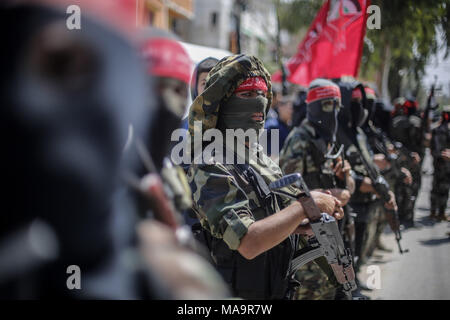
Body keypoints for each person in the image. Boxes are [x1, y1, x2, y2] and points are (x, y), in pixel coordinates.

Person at [186, 54, 344, 299]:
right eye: (247, 94)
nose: (258, 102)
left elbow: (274, 217)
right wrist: (304, 206)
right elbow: (248, 242)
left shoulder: (259, 158)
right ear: (224, 101)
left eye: (261, 94)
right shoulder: (209, 163)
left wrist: (306, 221)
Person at [279, 79, 356, 300]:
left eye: (336, 106)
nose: (332, 113)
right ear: (313, 107)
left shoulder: (330, 142)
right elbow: (285, 192)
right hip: (309, 247)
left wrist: (346, 176)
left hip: (335, 240)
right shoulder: (299, 139)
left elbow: (349, 189)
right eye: (326, 105)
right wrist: (328, 194)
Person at [335, 78, 397, 291]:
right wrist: (365, 183)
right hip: (348, 203)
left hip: (366, 201)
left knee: (359, 246)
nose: (360, 107)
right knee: (346, 250)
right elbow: (340, 172)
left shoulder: (358, 132)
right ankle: (349, 287)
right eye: (354, 101)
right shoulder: (335, 132)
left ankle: (355, 282)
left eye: (361, 101)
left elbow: (365, 160)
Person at [390, 97, 423, 226]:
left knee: (399, 187)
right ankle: (407, 217)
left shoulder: (395, 121)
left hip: (399, 157)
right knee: (412, 188)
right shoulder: (415, 122)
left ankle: (398, 216)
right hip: (412, 159)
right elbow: (419, 142)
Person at [429, 105, 450, 222]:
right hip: (446, 165)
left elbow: (432, 149)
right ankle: (441, 212)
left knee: (435, 187)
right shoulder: (446, 129)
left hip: (437, 163)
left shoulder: (436, 129)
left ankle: (433, 212)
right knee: (444, 189)